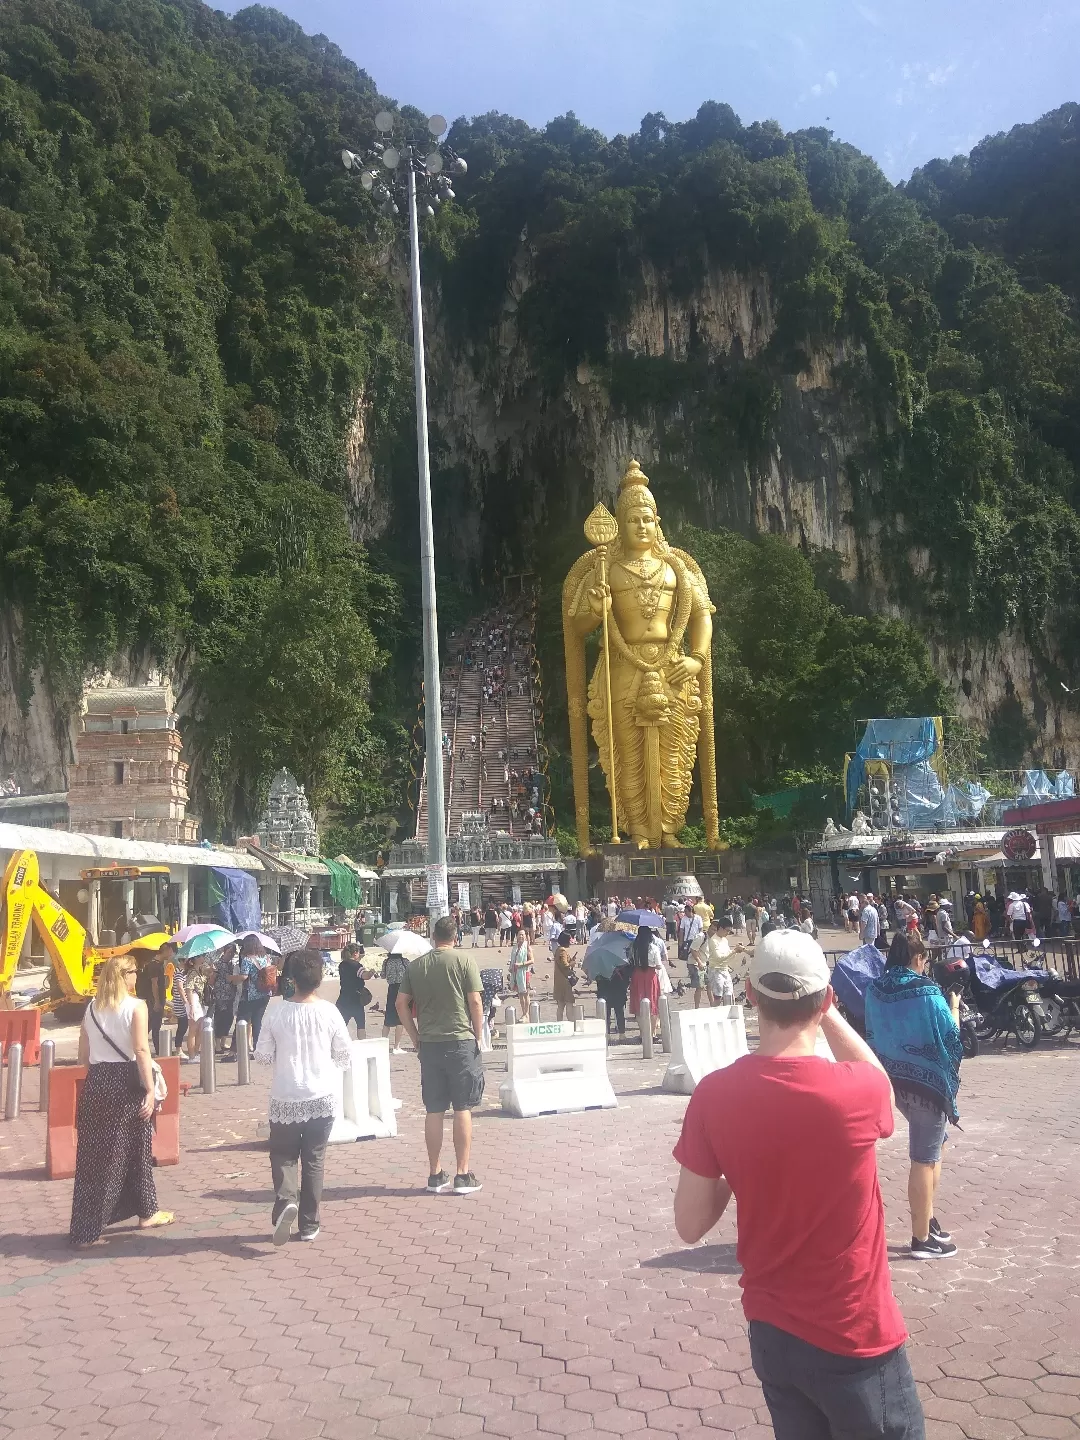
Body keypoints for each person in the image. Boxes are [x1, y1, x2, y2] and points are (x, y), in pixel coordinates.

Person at [672, 930, 924, 1440]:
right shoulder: (856, 1091)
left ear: (749, 995)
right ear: (827, 997)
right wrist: (828, 1012)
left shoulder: (715, 1096)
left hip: (774, 1334)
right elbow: (880, 1081)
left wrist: (735, 1159)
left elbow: (689, 1225)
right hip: (853, 1333)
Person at [865, 934, 962, 1260]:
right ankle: (921, 1238)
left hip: (893, 1082)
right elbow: (951, 1034)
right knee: (923, 1156)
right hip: (927, 1086)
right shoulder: (926, 990)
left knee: (937, 1144)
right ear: (917, 958)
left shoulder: (875, 989)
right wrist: (955, 1006)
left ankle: (928, 1218)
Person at [70, 955, 174, 1246]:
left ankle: (136, 1212)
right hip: (126, 1078)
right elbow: (141, 1050)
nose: (136, 976)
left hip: (98, 1079)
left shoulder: (91, 1008)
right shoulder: (135, 1006)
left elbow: (83, 1054)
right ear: (124, 976)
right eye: (134, 972)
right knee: (135, 1148)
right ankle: (133, 1216)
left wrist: (97, 1078)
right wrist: (150, 1090)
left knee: (94, 1155)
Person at [255, 949, 353, 1245]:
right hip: (321, 1095)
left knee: (283, 1155)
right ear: (319, 979)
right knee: (314, 1160)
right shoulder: (329, 1011)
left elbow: (261, 1056)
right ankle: (309, 1224)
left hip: (286, 1093)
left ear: (291, 979)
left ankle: (286, 1200)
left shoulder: (276, 1012)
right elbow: (344, 1053)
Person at [395, 914, 485, 1196]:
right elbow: (475, 1000)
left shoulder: (417, 966)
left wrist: (415, 1037)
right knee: (462, 1107)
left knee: (433, 1109)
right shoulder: (464, 961)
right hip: (460, 1041)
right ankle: (462, 1173)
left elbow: (401, 1004)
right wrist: (478, 1034)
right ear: (455, 937)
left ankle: (435, 1173)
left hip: (430, 1044)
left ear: (433, 937)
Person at [231, 935, 275, 1052]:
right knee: (257, 1022)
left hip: (251, 995)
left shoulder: (247, 959)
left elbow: (244, 976)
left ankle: (235, 1049)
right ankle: (258, 1048)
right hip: (265, 994)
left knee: (241, 1020)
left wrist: (232, 978)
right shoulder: (266, 957)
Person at [135, 941, 171, 1056]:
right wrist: (156, 1002)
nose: (171, 953)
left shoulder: (159, 964)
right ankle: (159, 1050)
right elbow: (154, 984)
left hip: (157, 999)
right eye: (170, 950)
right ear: (165, 950)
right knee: (155, 1025)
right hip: (153, 1000)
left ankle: (139, 1046)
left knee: (150, 1025)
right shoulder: (154, 965)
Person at [628, 927, 662, 1042]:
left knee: (638, 1004)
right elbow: (659, 965)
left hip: (637, 975)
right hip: (650, 976)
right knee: (653, 1004)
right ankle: (651, 1034)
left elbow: (630, 960)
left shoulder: (633, 947)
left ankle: (642, 1033)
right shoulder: (653, 948)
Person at [336, 942, 371, 1032]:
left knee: (340, 1026)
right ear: (355, 953)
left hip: (343, 998)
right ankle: (362, 1043)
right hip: (356, 999)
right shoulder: (357, 966)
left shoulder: (342, 965)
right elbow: (365, 976)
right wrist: (371, 972)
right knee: (360, 1026)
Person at [382, 948, 410, 1054]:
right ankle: (396, 1046)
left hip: (391, 989)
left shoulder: (386, 962)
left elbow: (383, 975)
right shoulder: (405, 961)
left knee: (388, 1018)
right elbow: (410, 974)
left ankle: (382, 1044)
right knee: (400, 1018)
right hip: (402, 989)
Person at [508, 928, 532, 1019]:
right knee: (520, 994)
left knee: (526, 993)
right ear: (517, 936)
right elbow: (513, 959)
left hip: (524, 972)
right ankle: (523, 1013)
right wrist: (511, 967)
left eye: (522, 935)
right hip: (516, 973)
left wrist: (521, 964)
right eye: (519, 934)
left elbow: (532, 960)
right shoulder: (515, 947)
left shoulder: (527, 947)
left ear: (525, 936)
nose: (521, 936)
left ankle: (527, 1013)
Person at [553, 930, 576, 1022]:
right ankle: (572, 1023)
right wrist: (572, 963)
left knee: (561, 1005)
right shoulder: (562, 950)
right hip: (564, 981)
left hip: (560, 981)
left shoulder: (559, 949)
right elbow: (564, 965)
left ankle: (560, 1023)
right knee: (568, 1003)